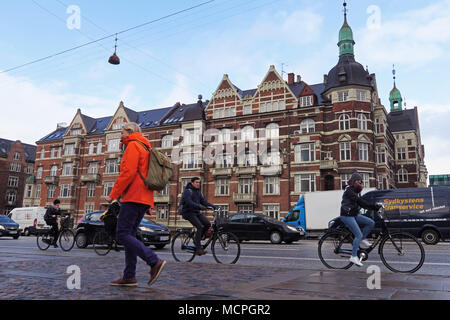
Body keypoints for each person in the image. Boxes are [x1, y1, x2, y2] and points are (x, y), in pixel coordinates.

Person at [107, 122, 166, 287]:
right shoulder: (146, 148)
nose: (121, 136)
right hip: (144, 197)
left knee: (122, 234)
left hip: (133, 196)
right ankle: (129, 276)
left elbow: (128, 173)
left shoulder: (133, 146)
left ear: (130, 132)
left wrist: (113, 194)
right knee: (130, 236)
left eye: (122, 132)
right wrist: (148, 203)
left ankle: (154, 261)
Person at [340, 172, 381, 267]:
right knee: (358, 234)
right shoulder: (349, 189)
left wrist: (375, 207)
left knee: (370, 223)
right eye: (358, 181)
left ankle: (361, 240)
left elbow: (362, 204)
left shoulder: (356, 191)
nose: (360, 182)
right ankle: (353, 256)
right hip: (346, 215)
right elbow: (359, 201)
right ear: (353, 181)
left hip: (353, 214)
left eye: (361, 181)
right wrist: (373, 206)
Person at [180, 177, 216, 256]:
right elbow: (189, 202)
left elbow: (203, 202)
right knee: (199, 226)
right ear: (192, 183)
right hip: (188, 212)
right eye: (196, 182)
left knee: (207, 224)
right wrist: (199, 206)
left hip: (196, 212)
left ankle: (197, 239)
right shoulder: (187, 191)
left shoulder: (198, 192)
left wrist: (213, 206)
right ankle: (198, 248)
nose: (198, 184)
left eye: (199, 182)